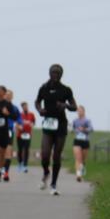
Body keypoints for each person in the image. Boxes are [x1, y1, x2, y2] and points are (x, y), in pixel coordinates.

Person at [35, 64, 78, 195]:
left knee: (56, 155)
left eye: (58, 73)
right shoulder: (44, 88)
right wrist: (40, 110)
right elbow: (37, 101)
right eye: (53, 72)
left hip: (61, 125)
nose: (55, 75)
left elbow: (74, 106)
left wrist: (65, 105)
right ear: (49, 73)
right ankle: (46, 172)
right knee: (45, 154)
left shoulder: (66, 90)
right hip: (48, 124)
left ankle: (53, 184)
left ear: (61, 75)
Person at [71, 105, 94, 182]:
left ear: (84, 112)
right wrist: (73, 130)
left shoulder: (87, 120)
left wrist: (84, 129)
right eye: (78, 111)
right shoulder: (75, 121)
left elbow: (91, 129)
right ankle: (78, 175)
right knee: (78, 158)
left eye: (81, 111)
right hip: (77, 140)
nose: (79, 112)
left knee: (83, 160)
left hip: (85, 141)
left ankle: (82, 168)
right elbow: (72, 129)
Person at [16, 101, 36, 172]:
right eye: (24, 107)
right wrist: (19, 127)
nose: (26, 108)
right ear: (22, 107)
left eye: (27, 106)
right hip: (20, 134)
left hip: (28, 134)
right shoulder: (19, 115)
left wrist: (32, 125)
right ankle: (20, 163)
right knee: (20, 149)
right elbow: (16, 124)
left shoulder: (31, 114)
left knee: (26, 149)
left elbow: (33, 122)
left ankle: (25, 165)